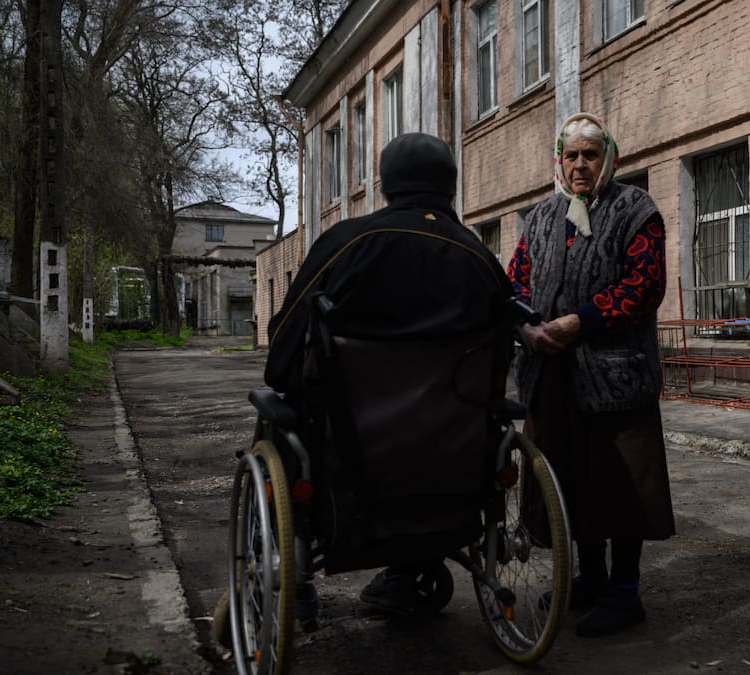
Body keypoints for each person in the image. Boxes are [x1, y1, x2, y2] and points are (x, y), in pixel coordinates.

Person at [264, 132, 512, 618]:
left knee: (280, 417)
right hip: (453, 470)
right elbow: (502, 357)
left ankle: (291, 573)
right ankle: (409, 567)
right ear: (451, 188)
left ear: (385, 185)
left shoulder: (345, 243)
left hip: (351, 468)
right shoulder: (480, 259)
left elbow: (283, 348)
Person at [507, 112, 676, 637]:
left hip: (616, 379)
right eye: (571, 154)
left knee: (621, 484)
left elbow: (644, 286)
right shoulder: (539, 217)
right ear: (559, 159)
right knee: (570, 482)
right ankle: (591, 577)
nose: (580, 164)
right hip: (551, 374)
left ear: (609, 158)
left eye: (591, 154)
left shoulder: (635, 209)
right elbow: (515, 282)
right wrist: (528, 327)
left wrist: (582, 320)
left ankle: (625, 592)